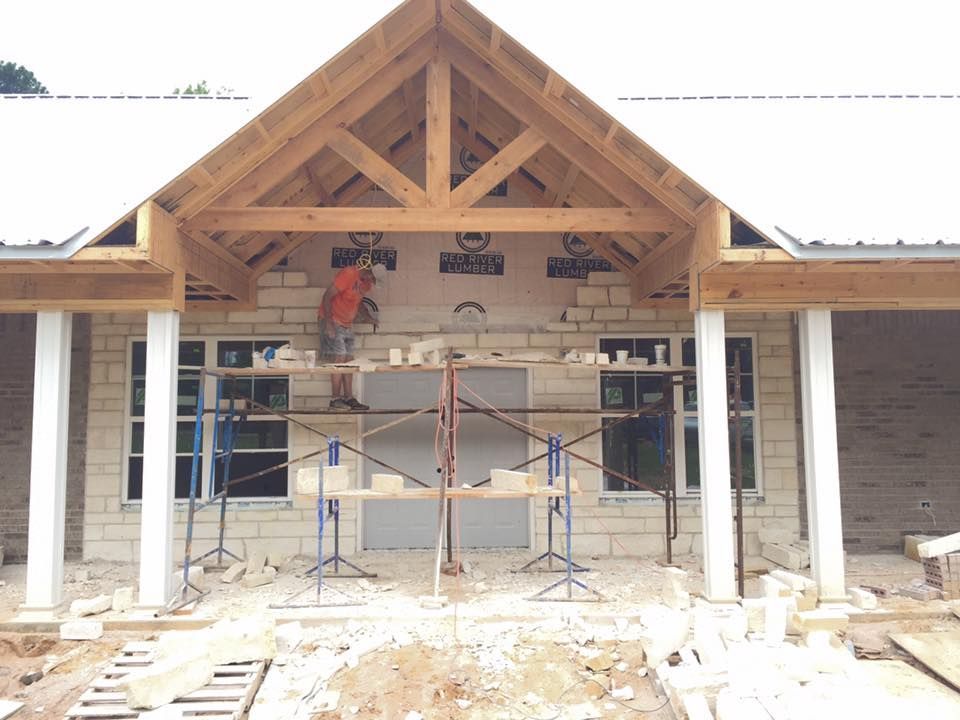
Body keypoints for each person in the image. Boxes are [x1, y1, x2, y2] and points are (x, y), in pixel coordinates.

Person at [317, 262, 386, 410]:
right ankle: (335, 400)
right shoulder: (349, 274)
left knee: (349, 360)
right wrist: (328, 323)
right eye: (372, 279)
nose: (372, 283)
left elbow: (358, 303)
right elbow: (327, 295)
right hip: (332, 319)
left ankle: (349, 398)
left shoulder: (365, 284)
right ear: (369, 272)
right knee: (339, 357)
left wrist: (368, 317)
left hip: (346, 323)